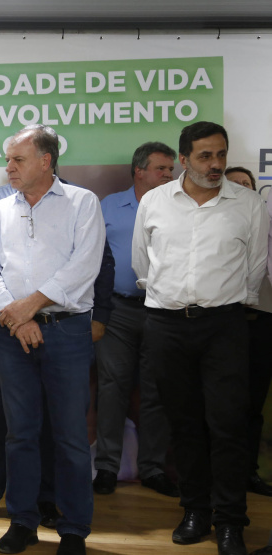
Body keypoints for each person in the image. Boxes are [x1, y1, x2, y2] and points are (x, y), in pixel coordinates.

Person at [133, 121, 268, 555]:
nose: (216, 165)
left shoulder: (247, 203)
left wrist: (231, 303)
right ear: (185, 159)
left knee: (228, 426)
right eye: (206, 156)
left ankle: (230, 520)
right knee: (184, 423)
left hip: (224, 326)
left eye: (221, 155)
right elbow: (143, 263)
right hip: (167, 325)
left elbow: (255, 266)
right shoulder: (154, 201)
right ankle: (195, 510)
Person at [0, 124, 104, 555]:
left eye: (18, 159)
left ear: (46, 160)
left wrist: (27, 307)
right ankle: (24, 521)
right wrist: (17, 318)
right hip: (12, 334)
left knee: (69, 435)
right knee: (20, 434)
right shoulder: (0, 209)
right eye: (8, 159)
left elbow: (82, 266)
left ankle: (73, 529)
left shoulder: (82, 203)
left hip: (66, 332)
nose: (9, 167)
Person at [93, 142, 179, 497]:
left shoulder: (179, 206)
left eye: (171, 170)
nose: (169, 175)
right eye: (161, 169)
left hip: (164, 310)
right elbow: (93, 258)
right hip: (118, 310)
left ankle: (153, 468)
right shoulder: (109, 206)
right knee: (112, 388)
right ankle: (107, 468)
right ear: (139, 171)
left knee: (156, 390)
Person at [224, 166, 272, 498]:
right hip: (225, 323)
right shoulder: (219, 229)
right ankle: (218, 476)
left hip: (263, 323)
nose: (244, 189)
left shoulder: (266, 226)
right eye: (236, 185)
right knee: (220, 406)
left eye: (248, 184)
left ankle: (248, 473)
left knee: (253, 405)